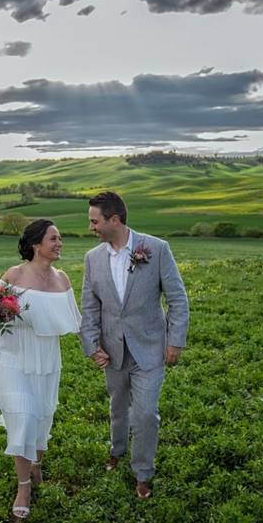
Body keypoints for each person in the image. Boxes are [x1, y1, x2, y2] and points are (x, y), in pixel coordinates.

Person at [80, 192, 189, 499]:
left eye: (94, 221)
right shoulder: (92, 258)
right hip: (112, 350)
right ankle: (116, 450)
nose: (91, 227)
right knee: (117, 408)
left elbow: (178, 299)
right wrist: (91, 345)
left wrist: (175, 342)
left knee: (145, 414)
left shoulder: (155, 249)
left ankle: (142, 472)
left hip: (150, 348)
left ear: (114, 220)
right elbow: (90, 307)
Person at [0, 219, 81, 519]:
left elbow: (77, 321)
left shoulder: (62, 279)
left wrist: (100, 349)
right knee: (23, 418)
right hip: (12, 355)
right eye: (53, 238)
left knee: (40, 418)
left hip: (46, 358)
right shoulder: (14, 274)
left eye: (60, 238)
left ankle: (36, 465)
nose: (59, 243)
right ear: (36, 244)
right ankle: (23, 486)